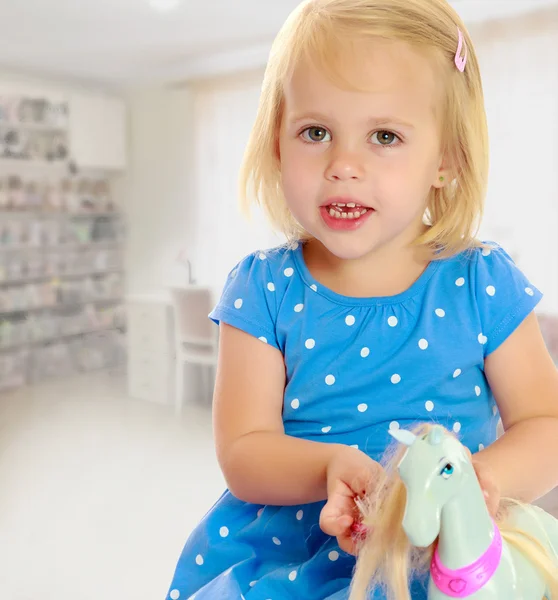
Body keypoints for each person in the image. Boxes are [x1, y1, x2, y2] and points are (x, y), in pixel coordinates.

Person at [165, 1, 558, 598]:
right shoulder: (263, 288)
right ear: (277, 141)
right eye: (315, 132)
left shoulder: (482, 281)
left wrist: (478, 480)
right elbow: (243, 450)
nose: (343, 165)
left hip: (450, 549)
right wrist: (324, 468)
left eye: (384, 136)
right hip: (297, 550)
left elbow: (545, 422)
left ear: (445, 160)